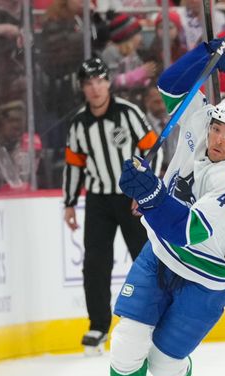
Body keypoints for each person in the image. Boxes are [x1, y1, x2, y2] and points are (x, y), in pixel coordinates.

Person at [82, 29, 225, 376]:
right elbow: (171, 84)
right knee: (126, 339)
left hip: (204, 278)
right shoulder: (202, 124)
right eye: (217, 126)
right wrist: (212, 55)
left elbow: (191, 231)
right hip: (159, 256)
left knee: (164, 361)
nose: (217, 137)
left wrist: (150, 195)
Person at [62, 58, 164, 356]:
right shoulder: (79, 123)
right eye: (88, 83)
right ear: (83, 88)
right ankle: (98, 326)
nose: (95, 88)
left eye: (99, 81)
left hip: (130, 197)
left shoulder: (129, 113)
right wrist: (69, 203)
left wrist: (144, 189)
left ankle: (156, 318)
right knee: (95, 263)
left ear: (108, 82)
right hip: (98, 200)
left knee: (145, 259)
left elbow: (152, 148)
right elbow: (73, 166)